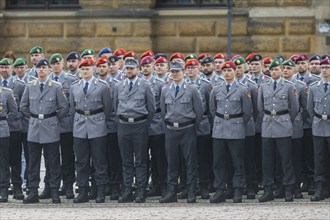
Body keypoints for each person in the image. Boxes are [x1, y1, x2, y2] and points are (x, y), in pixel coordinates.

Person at [20, 58, 69, 204]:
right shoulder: (30, 86)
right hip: (34, 127)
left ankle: (54, 190)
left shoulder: (55, 86)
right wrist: (35, 117)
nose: (41, 70)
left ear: (48, 70)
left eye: (44, 67)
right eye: (39, 68)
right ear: (35, 70)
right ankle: (33, 191)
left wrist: (51, 118)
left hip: (51, 126)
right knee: (33, 162)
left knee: (53, 161)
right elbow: (23, 106)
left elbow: (64, 107)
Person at [159, 61, 203, 203]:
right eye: (172, 72)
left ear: (183, 72)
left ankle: (191, 190)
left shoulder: (191, 89)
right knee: (172, 162)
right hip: (171, 129)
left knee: (190, 162)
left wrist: (191, 125)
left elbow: (199, 111)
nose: (175, 74)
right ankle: (171, 191)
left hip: (187, 128)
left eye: (177, 71)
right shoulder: (166, 89)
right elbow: (163, 110)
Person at [113, 58, 155, 203]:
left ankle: (140, 190)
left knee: (141, 160)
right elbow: (114, 106)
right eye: (127, 68)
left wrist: (143, 123)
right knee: (126, 160)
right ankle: (127, 189)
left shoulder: (145, 85)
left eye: (132, 68)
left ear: (137, 69)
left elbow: (151, 109)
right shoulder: (118, 86)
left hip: (139, 125)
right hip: (124, 125)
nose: (129, 71)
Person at [209, 61, 252, 203]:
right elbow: (213, 109)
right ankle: (220, 189)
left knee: (237, 160)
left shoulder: (242, 89)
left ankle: (237, 188)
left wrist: (236, 122)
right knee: (218, 161)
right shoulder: (216, 89)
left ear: (235, 71)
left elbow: (247, 112)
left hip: (236, 127)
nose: (227, 73)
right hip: (220, 128)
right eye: (224, 70)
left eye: (229, 70)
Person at [69, 58, 112, 203]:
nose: (85, 71)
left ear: (93, 69)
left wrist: (98, 119)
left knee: (99, 160)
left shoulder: (102, 86)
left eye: (88, 68)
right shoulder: (74, 86)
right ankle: (82, 191)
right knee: (81, 161)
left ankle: (100, 190)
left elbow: (108, 108)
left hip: (97, 124)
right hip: (80, 125)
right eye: (83, 69)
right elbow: (72, 107)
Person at [258, 59, 299, 203]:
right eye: (272, 70)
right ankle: (268, 189)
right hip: (268, 124)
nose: (274, 72)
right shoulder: (263, 86)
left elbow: (294, 108)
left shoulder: (288, 86)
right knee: (267, 160)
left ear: (281, 70)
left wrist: (285, 120)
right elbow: (260, 108)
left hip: (283, 124)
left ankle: (289, 189)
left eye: (277, 69)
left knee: (286, 159)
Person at [49, 53, 77, 199]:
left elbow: (73, 103)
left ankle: (68, 185)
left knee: (67, 156)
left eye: (58, 64)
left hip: (66, 124)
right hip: (50, 124)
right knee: (51, 157)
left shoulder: (71, 80)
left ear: (62, 65)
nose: (56, 66)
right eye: (53, 64)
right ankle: (51, 185)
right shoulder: (46, 80)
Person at [140, 56, 167, 198]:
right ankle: (149, 185)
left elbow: (164, 106)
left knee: (159, 157)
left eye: (148, 65)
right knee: (143, 158)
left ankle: (162, 185)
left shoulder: (160, 84)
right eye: (143, 66)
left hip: (157, 123)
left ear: (153, 67)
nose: (145, 68)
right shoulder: (137, 83)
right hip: (141, 123)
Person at [185, 58, 212, 199]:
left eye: (193, 67)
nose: (190, 70)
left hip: (202, 125)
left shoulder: (206, 85)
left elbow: (211, 107)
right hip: (186, 125)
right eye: (188, 68)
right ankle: (189, 186)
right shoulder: (182, 84)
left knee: (202, 158)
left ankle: (203, 186)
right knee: (188, 158)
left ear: (199, 69)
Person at [96, 56, 122, 200]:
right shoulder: (94, 82)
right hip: (97, 125)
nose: (103, 68)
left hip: (111, 124)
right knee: (99, 157)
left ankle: (115, 185)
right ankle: (101, 184)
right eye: (99, 66)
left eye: (105, 66)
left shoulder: (116, 84)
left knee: (113, 157)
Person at [282, 59, 308, 199]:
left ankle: (297, 186)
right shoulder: (279, 84)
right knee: (283, 158)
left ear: (294, 70)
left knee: (296, 158)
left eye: (288, 68)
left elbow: (306, 108)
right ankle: (284, 186)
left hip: (295, 126)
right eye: (284, 68)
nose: (285, 70)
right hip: (280, 127)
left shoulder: (301, 86)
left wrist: (297, 119)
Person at [0, 58, 26, 200]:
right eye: (1, 67)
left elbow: (23, 106)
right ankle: (3, 188)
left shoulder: (20, 85)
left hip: (15, 128)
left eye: (6, 67)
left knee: (15, 159)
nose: (4, 70)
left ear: (12, 68)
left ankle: (17, 187)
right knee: (2, 160)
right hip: (1, 129)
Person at [234, 57, 259, 199]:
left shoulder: (250, 85)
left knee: (249, 158)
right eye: (235, 68)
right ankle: (238, 184)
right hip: (231, 128)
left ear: (244, 68)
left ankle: (251, 185)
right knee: (235, 157)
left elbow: (255, 109)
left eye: (239, 67)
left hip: (247, 127)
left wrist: (246, 121)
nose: (237, 70)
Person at [295, 54, 320, 195]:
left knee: (311, 155)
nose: (300, 65)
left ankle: (312, 181)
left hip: (310, 123)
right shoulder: (293, 81)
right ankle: (304, 179)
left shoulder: (315, 80)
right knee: (300, 155)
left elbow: (309, 106)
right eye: (298, 63)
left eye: (303, 63)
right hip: (297, 124)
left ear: (307, 65)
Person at [307, 57, 330, 201]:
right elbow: (310, 109)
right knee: (319, 159)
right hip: (319, 126)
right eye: (323, 68)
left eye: (327, 67)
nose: (325, 70)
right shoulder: (314, 87)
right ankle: (321, 187)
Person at [0, 85, 18, 202]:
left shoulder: (6, 92)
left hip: (1, 130)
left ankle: (3, 189)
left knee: (3, 161)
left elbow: (14, 112)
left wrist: (4, 120)